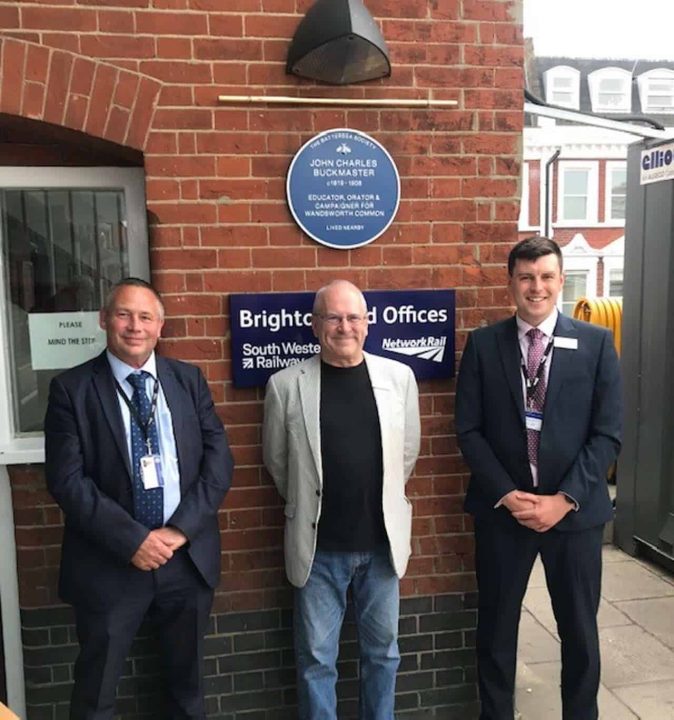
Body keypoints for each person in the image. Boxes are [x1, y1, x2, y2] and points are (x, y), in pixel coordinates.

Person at [45, 277, 234, 720]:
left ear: (160, 326)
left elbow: (218, 462)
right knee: (97, 692)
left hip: (185, 561)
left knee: (186, 692)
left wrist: (179, 531)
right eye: (124, 314)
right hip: (109, 562)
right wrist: (134, 540)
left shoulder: (188, 380)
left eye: (145, 317)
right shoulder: (72, 390)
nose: (135, 326)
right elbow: (67, 481)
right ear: (104, 320)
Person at [455, 236, 623, 720]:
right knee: (496, 630)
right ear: (510, 283)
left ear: (560, 280)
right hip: (504, 515)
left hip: (574, 516)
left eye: (546, 277)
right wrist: (508, 496)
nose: (536, 287)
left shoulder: (594, 345)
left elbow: (607, 434)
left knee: (579, 633)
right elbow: (467, 429)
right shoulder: (484, 346)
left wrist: (563, 499)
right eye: (526, 277)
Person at [262, 279, 421, 720]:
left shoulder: (399, 379)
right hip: (318, 552)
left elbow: (406, 454)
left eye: (353, 317)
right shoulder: (285, 385)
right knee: (316, 662)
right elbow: (278, 463)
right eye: (333, 317)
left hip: (381, 548)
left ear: (368, 324)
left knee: (383, 655)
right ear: (315, 325)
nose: (343, 326)